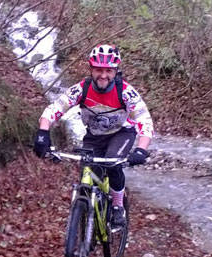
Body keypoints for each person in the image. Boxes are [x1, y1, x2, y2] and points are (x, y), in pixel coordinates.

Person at [33, 44, 155, 228]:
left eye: (108, 70)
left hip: (121, 133)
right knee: (87, 176)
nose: (103, 75)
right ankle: (87, 224)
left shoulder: (126, 92)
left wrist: (141, 149)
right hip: (94, 136)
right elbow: (55, 108)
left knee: (112, 163)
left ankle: (117, 206)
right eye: (98, 70)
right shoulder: (82, 89)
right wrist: (43, 133)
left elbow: (144, 120)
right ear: (91, 69)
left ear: (115, 71)